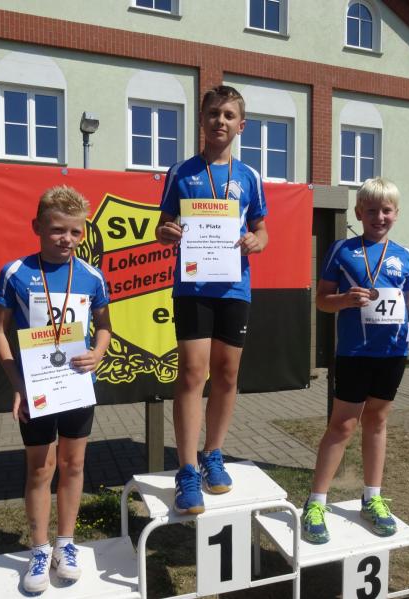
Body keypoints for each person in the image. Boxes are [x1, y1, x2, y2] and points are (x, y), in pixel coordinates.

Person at [301, 177, 409, 544]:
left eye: (386, 210)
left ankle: (372, 498)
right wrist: (344, 300)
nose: (379, 217)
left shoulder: (405, 256)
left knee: (377, 422)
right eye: (371, 210)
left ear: (396, 214)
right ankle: (316, 502)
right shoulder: (342, 250)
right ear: (359, 213)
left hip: (392, 353)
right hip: (354, 353)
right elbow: (322, 300)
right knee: (342, 426)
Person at [0, 185, 111, 593]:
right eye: (58, 229)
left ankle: (66, 544)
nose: (67, 239)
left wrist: (98, 353)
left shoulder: (92, 276)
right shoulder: (15, 272)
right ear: (37, 227)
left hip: (76, 386)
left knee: (73, 466)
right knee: (41, 469)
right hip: (37, 389)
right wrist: (18, 384)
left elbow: (105, 327)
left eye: (75, 232)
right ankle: (40, 549)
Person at [155, 85, 268, 514]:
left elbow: (261, 228)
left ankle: (213, 455)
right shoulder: (180, 172)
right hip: (194, 288)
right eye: (213, 113)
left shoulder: (249, 176)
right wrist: (166, 232)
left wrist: (257, 241)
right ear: (201, 120)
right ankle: (186, 469)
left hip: (234, 287)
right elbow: (163, 225)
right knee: (191, 373)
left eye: (228, 115)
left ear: (242, 125)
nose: (220, 121)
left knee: (227, 373)